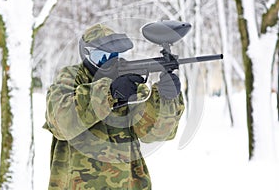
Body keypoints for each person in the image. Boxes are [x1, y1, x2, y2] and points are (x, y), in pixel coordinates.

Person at [44, 23, 185, 189]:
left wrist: (165, 98)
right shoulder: (72, 77)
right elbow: (61, 122)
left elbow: (154, 133)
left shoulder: (128, 81)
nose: (107, 62)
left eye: (113, 55)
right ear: (85, 54)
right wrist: (109, 93)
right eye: (100, 56)